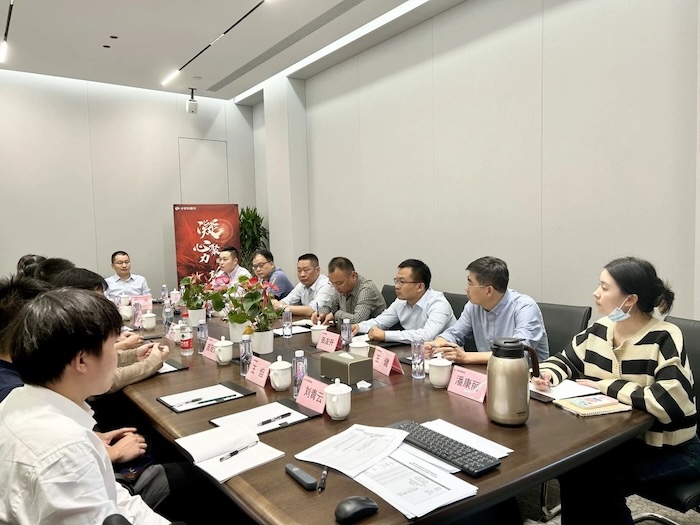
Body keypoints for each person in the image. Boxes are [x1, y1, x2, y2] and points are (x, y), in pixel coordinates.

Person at [532, 257, 699, 524]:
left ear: (630, 300)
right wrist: (548, 374)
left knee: (597, 481)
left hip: (673, 450)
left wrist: (605, 386)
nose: (596, 293)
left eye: (604, 287)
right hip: (622, 443)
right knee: (573, 469)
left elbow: (669, 400)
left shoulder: (665, 336)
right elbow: (565, 360)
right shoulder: (601, 329)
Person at [0, 288, 171, 524]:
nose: (116, 354)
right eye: (113, 345)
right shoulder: (65, 451)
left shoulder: (18, 400)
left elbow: (109, 495)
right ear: (81, 361)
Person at [53, 268, 169, 393]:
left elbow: (96, 360)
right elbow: (102, 379)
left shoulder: (62, 322)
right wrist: (152, 362)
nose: (103, 304)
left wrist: (134, 355)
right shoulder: (68, 331)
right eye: (99, 299)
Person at [425, 256, 548, 364]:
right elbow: (454, 333)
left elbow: (517, 353)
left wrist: (466, 357)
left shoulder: (525, 307)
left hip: (531, 377)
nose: (466, 288)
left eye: (470, 283)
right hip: (488, 373)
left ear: (489, 291)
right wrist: (436, 344)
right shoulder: (473, 306)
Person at [352, 259, 456, 344]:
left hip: (445, 355)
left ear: (420, 287)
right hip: (414, 351)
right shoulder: (401, 301)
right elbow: (380, 322)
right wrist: (358, 327)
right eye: (396, 281)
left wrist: (385, 335)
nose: (397, 286)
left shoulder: (438, 303)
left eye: (402, 281)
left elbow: (427, 336)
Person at [313, 257, 386, 325]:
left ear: (353, 276)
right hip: (348, 331)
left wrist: (335, 314)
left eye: (339, 283)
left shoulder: (366, 290)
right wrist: (321, 313)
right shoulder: (340, 287)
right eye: (332, 283)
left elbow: (357, 321)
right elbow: (329, 306)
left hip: (370, 333)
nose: (336, 287)